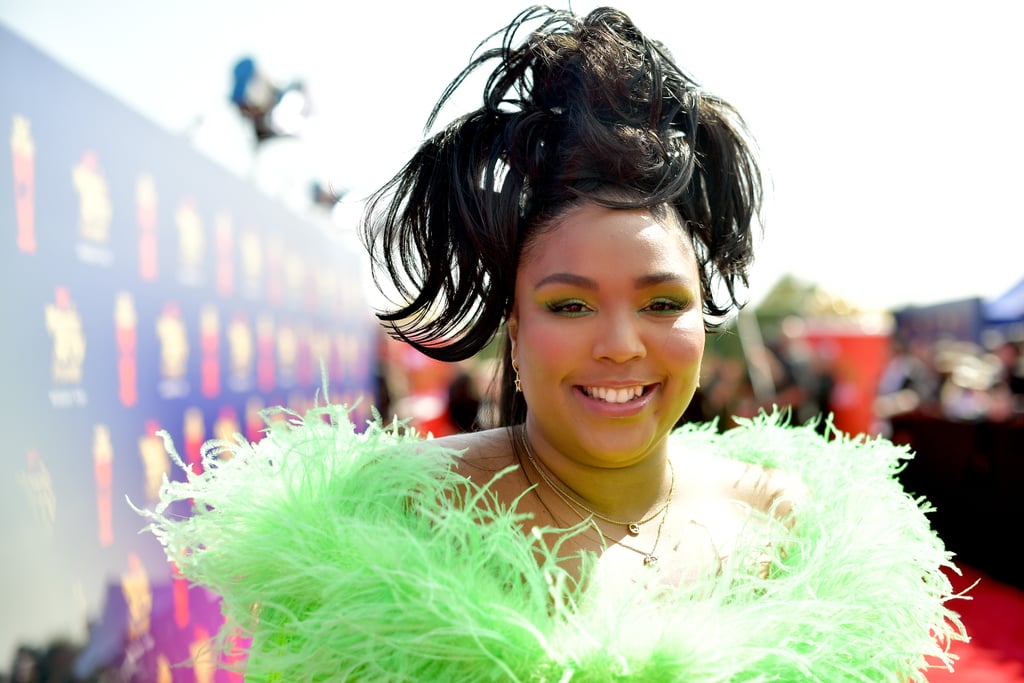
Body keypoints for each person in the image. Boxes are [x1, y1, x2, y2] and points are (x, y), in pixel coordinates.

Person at [142, 6, 965, 681]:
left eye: (662, 301)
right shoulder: (400, 523)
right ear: (515, 323)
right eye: (570, 304)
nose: (620, 344)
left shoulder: (786, 521)